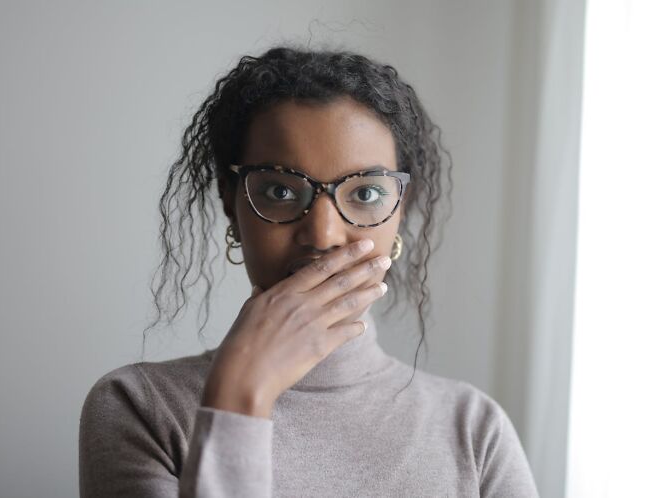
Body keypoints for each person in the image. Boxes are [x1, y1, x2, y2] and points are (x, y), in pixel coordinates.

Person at [78, 45, 539, 497]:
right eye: (280, 191)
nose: (323, 234)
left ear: (401, 208)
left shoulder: (474, 429)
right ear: (230, 201)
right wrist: (238, 396)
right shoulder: (139, 407)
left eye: (365, 193)